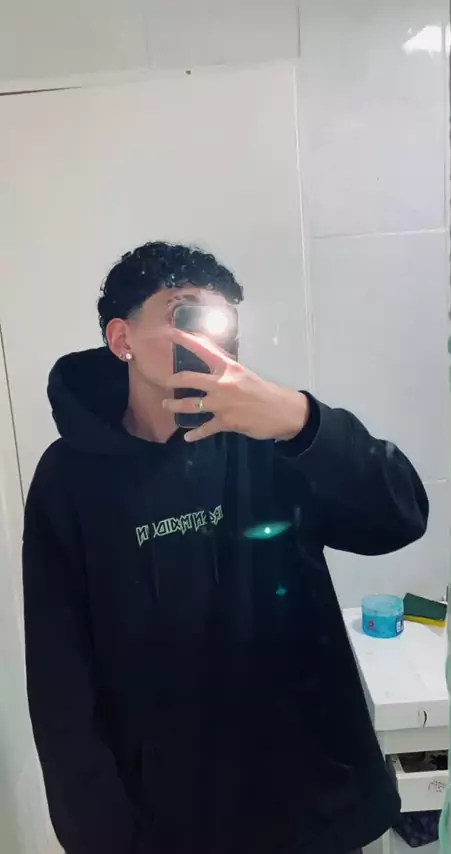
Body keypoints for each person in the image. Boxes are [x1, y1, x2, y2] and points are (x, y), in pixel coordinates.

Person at [23, 241, 429, 854]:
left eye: (220, 319)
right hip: (168, 824)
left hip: (311, 805)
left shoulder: (269, 438)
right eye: (183, 312)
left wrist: (301, 420)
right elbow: (60, 684)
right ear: (121, 338)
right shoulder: (69, 479)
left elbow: (400, 517)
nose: (208, 337)